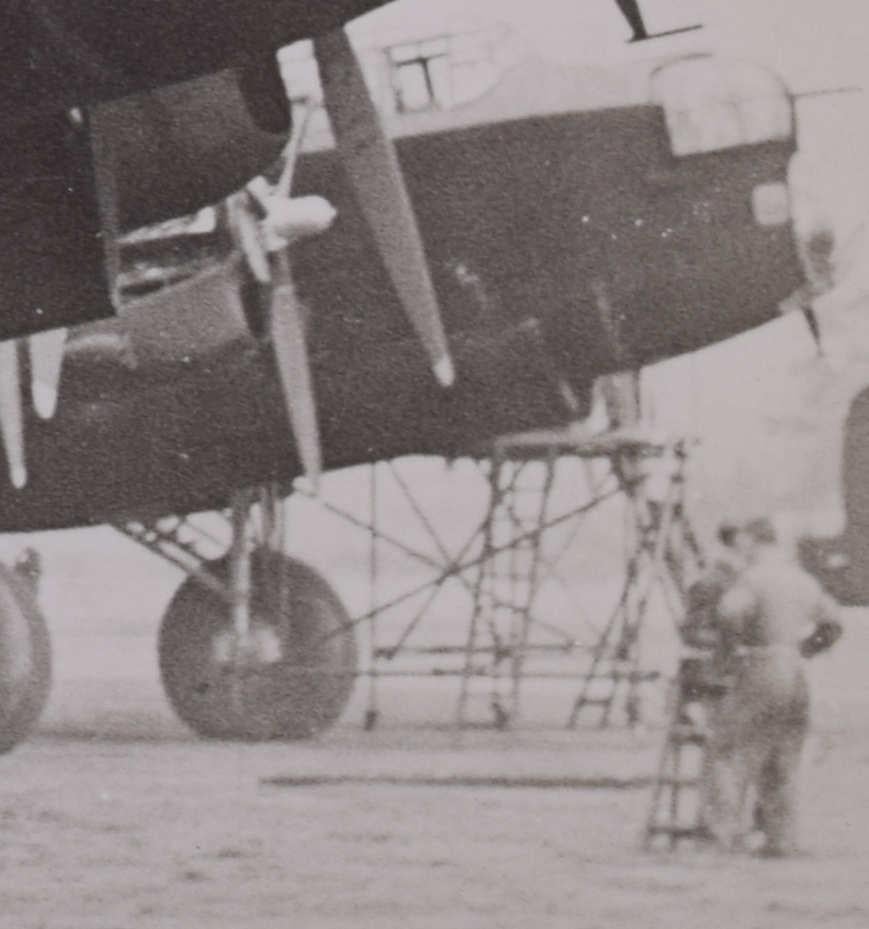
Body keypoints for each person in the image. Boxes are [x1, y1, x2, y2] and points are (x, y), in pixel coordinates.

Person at [707, 517, 843, 856]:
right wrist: (807, 649)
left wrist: (728, 652)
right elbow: (833, 622)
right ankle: (781, 840)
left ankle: (723, 835)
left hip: (759, 665)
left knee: (729, 751)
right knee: (783, 757)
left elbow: (728, 614)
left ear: (753, 542)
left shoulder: (752, 579)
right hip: (794, 669)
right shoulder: (802, 580)